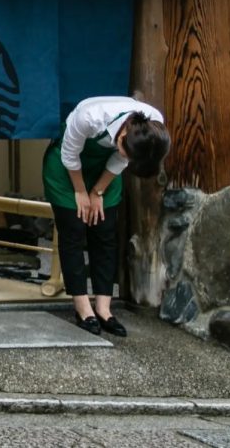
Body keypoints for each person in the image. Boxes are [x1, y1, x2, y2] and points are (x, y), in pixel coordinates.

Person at [41, 96, 170, 338]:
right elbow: (70, 155)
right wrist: (81, 191)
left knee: (105, 232)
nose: (130, 160)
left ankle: (103, 307)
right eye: (129, 153)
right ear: (122, 137)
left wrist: (98, 191)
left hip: (105, 169)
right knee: (73, 232)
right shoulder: (90, 118)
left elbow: (121, 159)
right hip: (67, 166)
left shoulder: (153, 128)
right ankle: (82, 308)